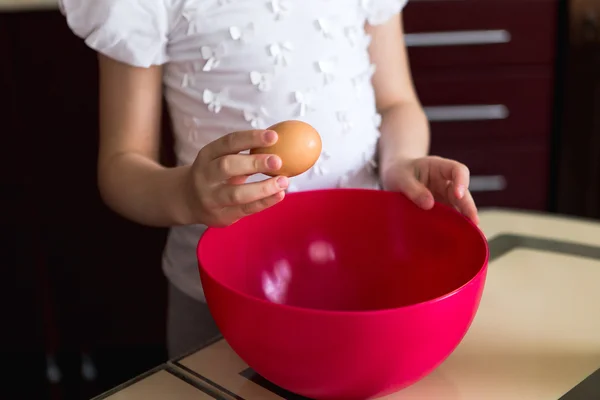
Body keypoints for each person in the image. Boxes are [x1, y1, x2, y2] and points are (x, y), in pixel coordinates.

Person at [59, 0, 479, 358]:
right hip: (221, 299)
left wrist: (401, 162)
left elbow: (396, 102)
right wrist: (187, 196)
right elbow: (120, 165)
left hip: (362, 277)